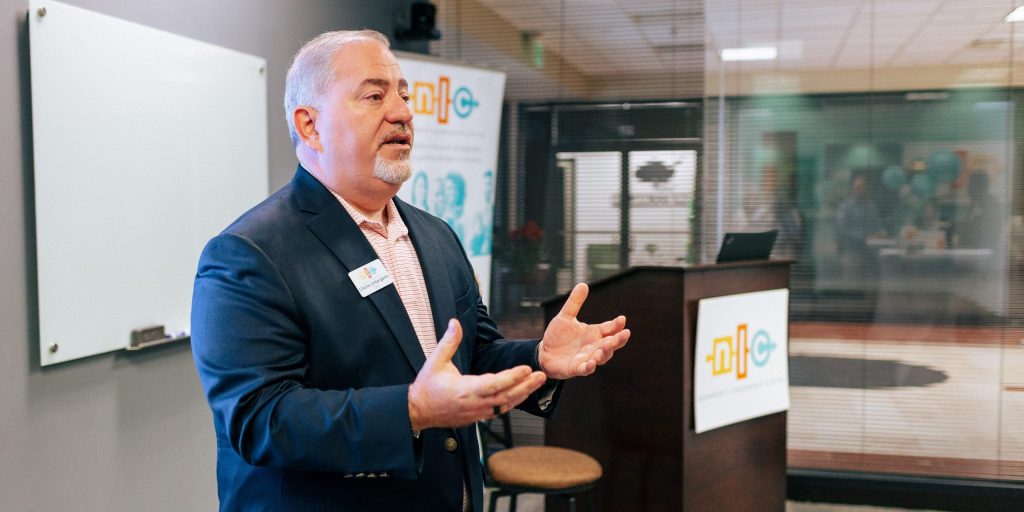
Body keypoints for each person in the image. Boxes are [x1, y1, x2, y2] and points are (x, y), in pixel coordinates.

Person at [190, 29, 631, 512]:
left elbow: (475, 353)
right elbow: (261, 419)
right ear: (310, 125)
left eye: (403, 94)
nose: (402, 112)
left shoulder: (435, 234)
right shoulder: (249, 253)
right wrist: (412, 411)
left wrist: (540, 358)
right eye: (375, 95)